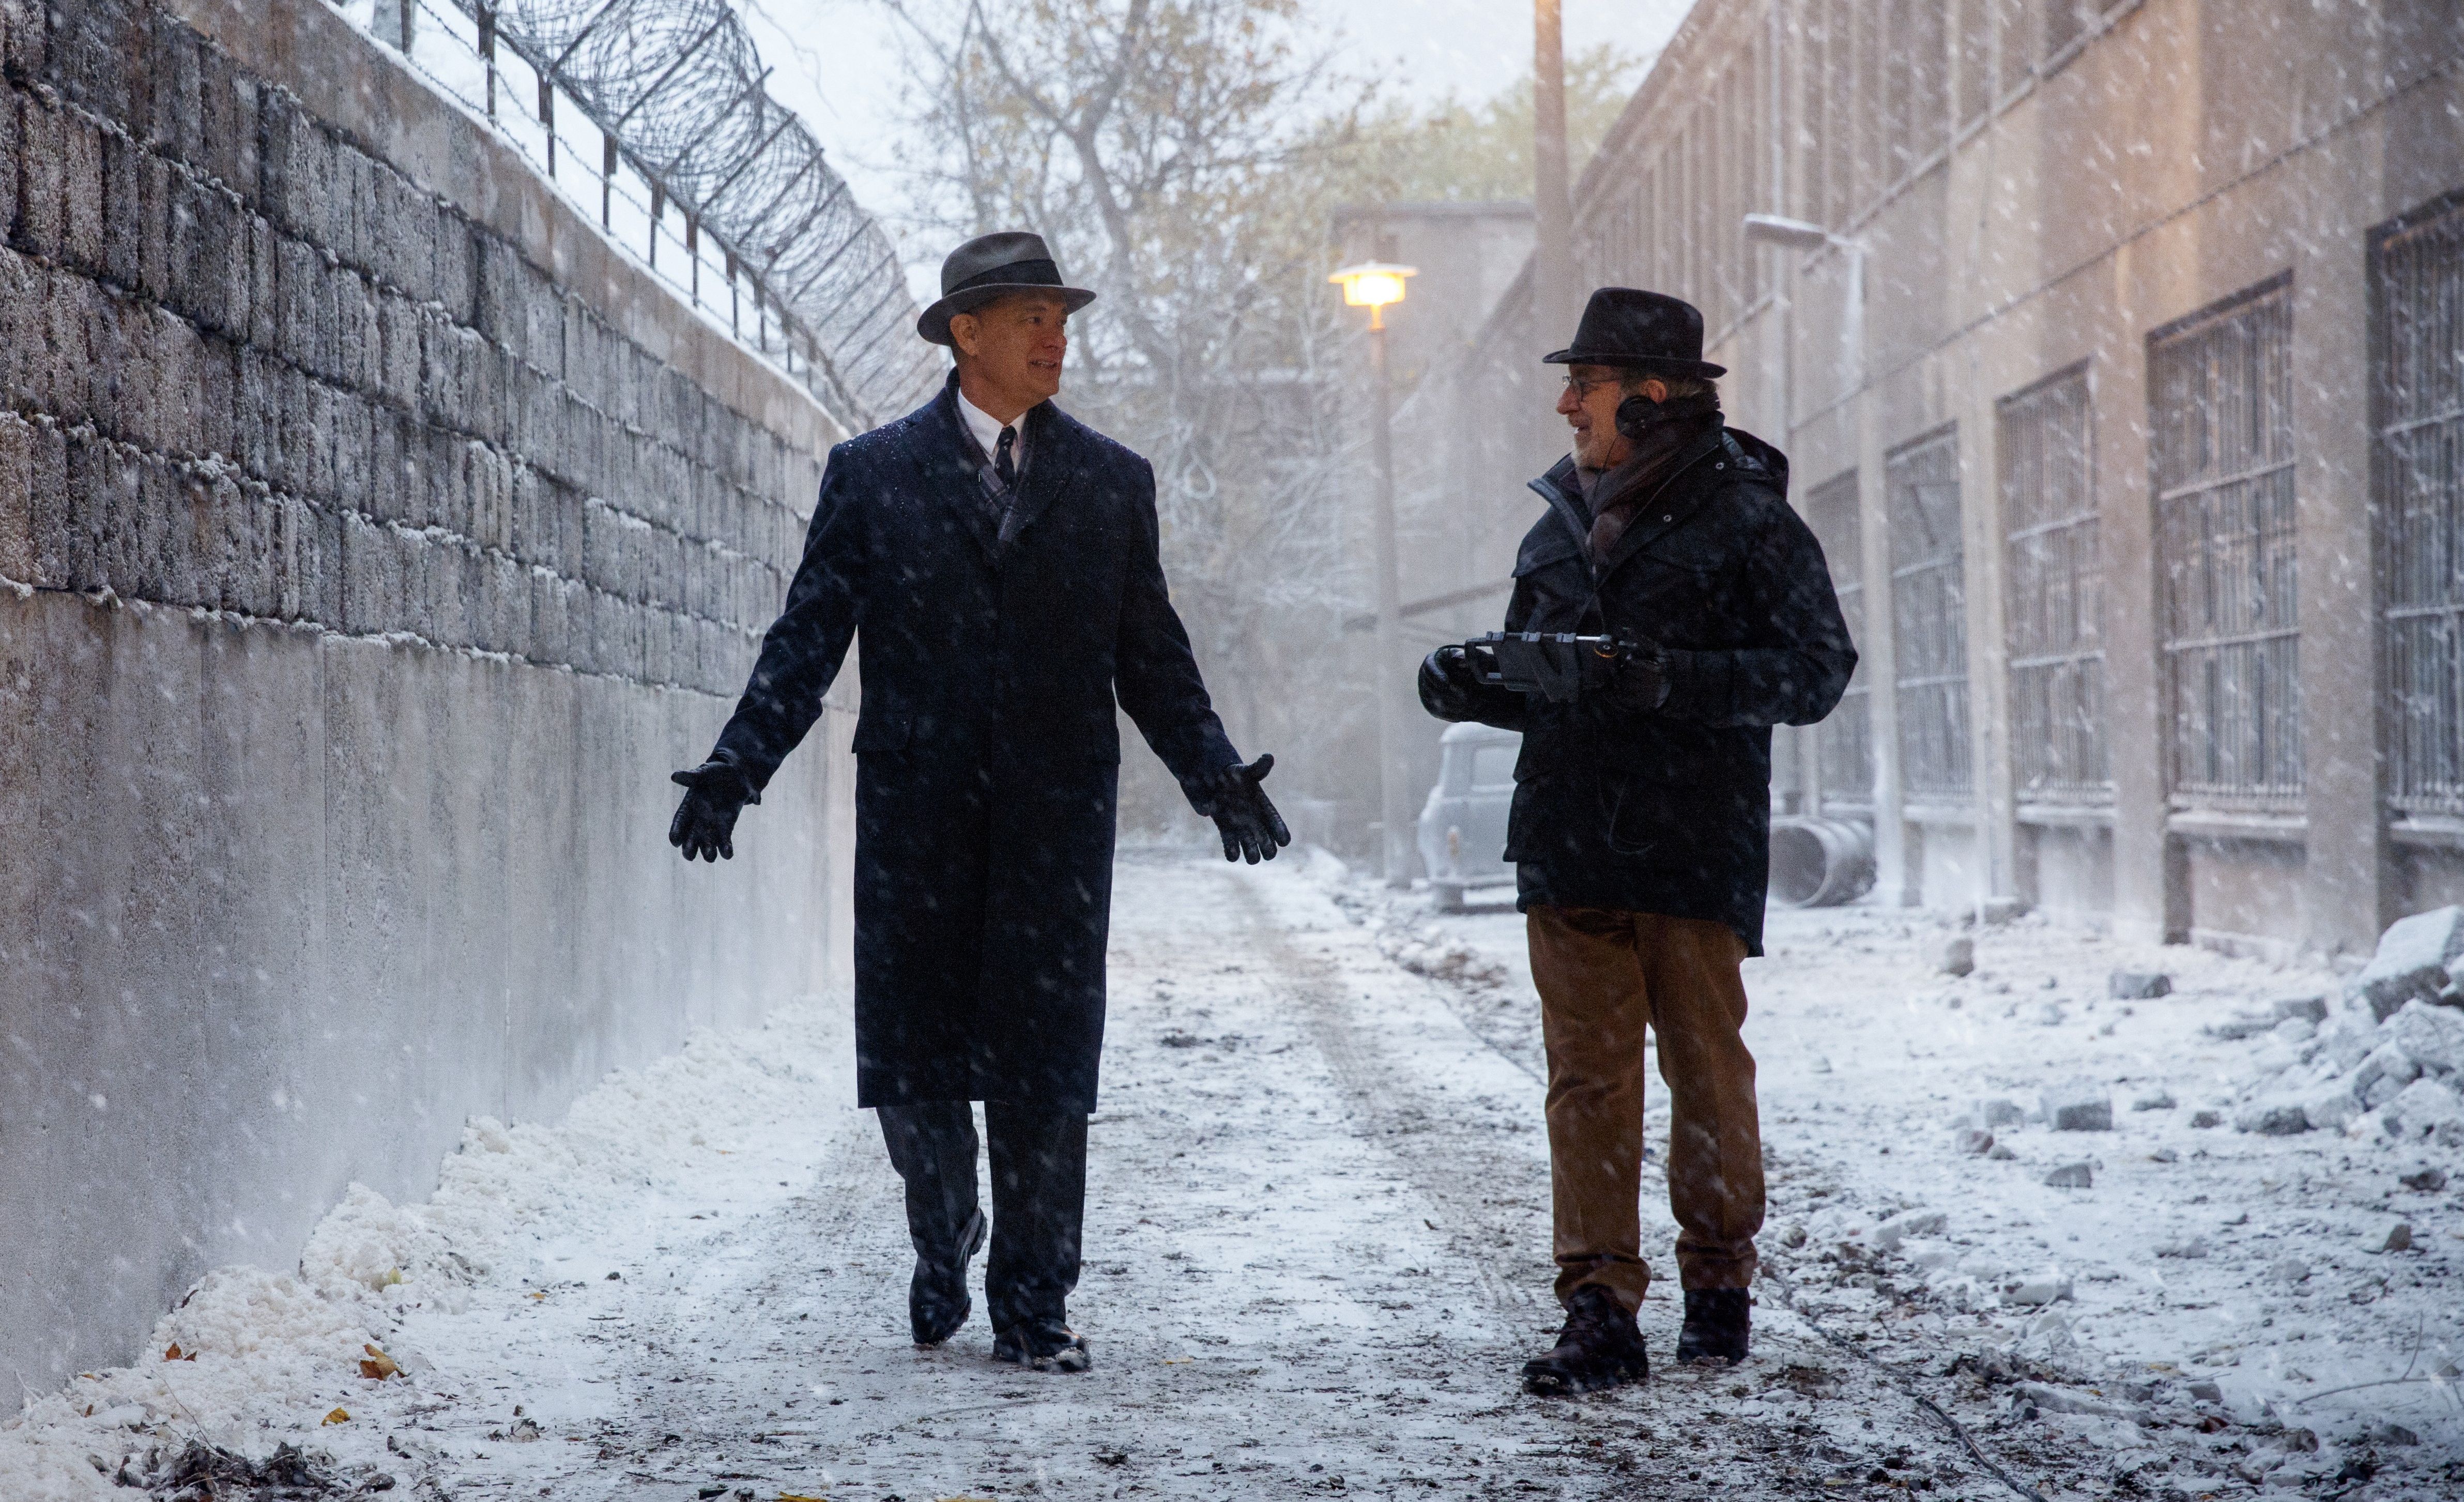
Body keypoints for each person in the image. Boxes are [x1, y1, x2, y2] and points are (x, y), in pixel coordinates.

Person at [667, 231, 1289, 1374]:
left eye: (1063, 319)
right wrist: (735, 767)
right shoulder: (872, 475)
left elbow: (1150, 656)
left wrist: (1215, 779)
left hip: (1053, 830)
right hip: (918, 823)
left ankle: (1034, 1303)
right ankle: (944, 1224)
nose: (1057, 338)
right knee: (916, 1075)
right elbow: (806, 641)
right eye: (1033, 319)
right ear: (967, 333)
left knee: (1044, 1072)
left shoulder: (1109, 483)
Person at [1418, 287, 1855, 1394]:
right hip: (1566, 843)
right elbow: (1544, 672)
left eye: (1587, 385)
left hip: (1688, 843)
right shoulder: (1552, 519)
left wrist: (1675, 684)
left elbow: (1815, 672)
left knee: (1704, 1072)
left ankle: (1717, 1283)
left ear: (1653, 402)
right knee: (1585, 1083)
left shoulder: (1751, 518)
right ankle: (1598, 1308)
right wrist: (1471, 682)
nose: (1565, 405)